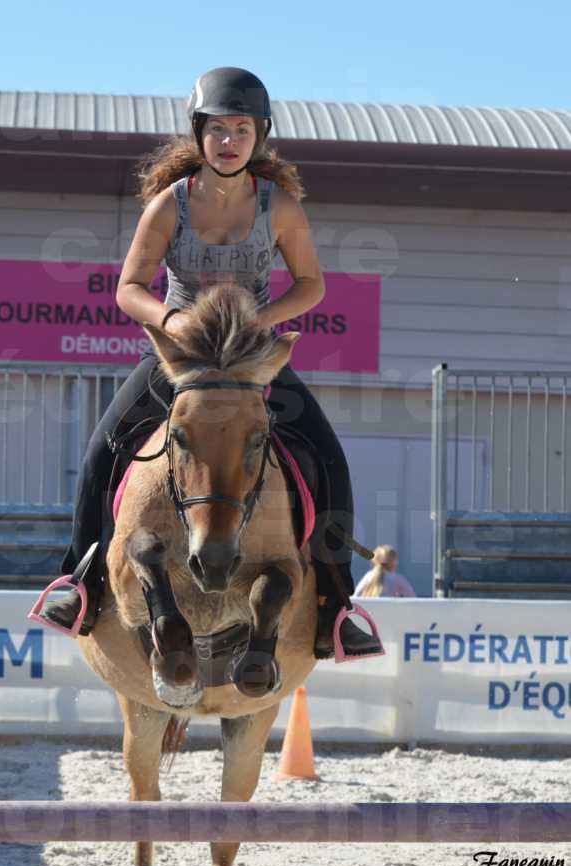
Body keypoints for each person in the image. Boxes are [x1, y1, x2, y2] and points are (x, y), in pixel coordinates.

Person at [37, 67, 382, 660]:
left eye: (241, 129)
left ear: (260, 136)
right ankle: (79, 583)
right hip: (178, 358)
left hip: (249, 357)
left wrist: (263, 321)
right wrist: (170, 322)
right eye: (217, 128)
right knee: (101, 451)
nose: (229, 140)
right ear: (197, 134)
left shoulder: (283, 208)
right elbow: (129, 288)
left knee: (328, 456)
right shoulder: (168, 206)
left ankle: (336, 603)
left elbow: (311, 286)